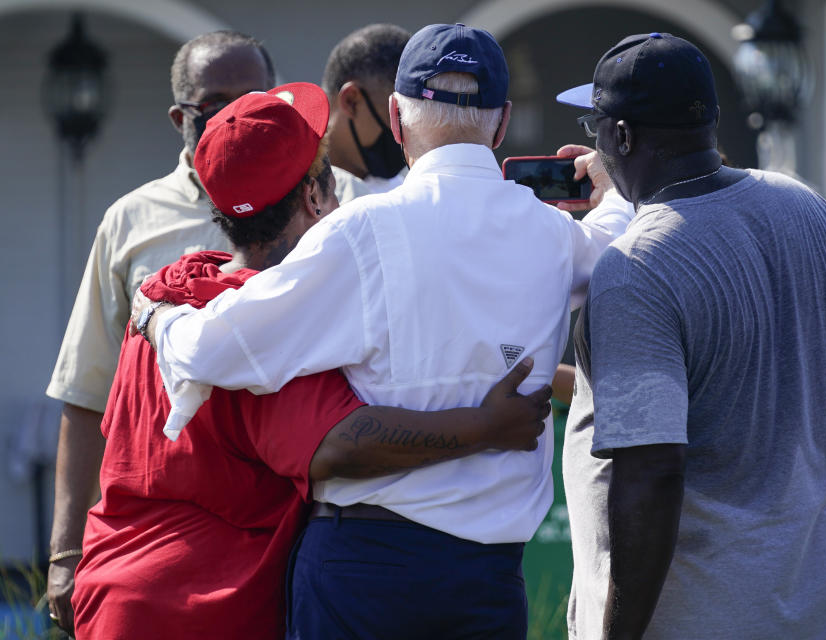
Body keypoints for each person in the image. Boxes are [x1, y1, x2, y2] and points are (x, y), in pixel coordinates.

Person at [133, 23, 633, 638]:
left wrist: (159, 314)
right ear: (501, 124)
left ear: (395, 118)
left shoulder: (359, 232)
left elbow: (210, 350)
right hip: (489, 579)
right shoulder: (556, 238)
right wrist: (613, 191)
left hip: (365, 568)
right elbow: (617, 245)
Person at [72, 82, 551, 640]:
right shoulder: (279, 331)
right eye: (330, 177)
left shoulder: (167, 290)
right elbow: (339, 446)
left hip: (113, 591)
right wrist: (484, 427)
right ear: (314, 198)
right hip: (207, 610)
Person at [556, 32, 826, 639]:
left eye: (596, 128)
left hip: (702, 617)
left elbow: (652, 470)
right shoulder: (807, 209)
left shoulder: (638, 268)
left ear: (622, 137)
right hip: (824, 609)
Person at [44, 30, 276, 634]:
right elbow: (84, 393)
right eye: (214, 106)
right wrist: (66, 555)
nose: (234, 119)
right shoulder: (131, 221)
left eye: (251, 101)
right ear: (179, 118)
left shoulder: (322, 205)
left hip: (278, 532)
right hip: (151, 543)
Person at [322, 23, 411, 195]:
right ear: (351, 101)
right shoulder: (288, 192)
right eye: (396, 118)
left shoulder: (401, 195)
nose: (403, 137)